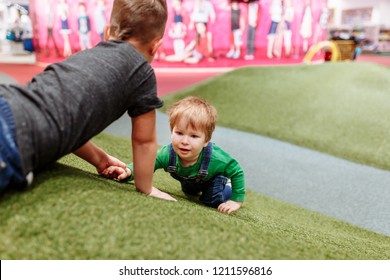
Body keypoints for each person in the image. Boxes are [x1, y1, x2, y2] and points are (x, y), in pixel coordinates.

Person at [0, 0, 175, 202]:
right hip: (18, 137)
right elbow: (144, 141)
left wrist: (100, 159)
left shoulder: (85, 56)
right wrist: (146, 187)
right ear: (156, 46)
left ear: (107, 32)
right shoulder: (143, 73)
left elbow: (65, 117)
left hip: (9, 100)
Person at [102, 96, 246, 214]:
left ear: (206, 141)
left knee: (211, 200)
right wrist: (127, 171)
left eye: (194, 136)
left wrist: (236, 200)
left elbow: (237, 170)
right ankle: (195, 187)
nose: (184, 141)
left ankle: (225, 186)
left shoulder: (216, 158)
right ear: (172, 132)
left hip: (213, 179)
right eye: (179, 133)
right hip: (191, 181)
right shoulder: (168, 154)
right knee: (189, 191)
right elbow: (147, 164)